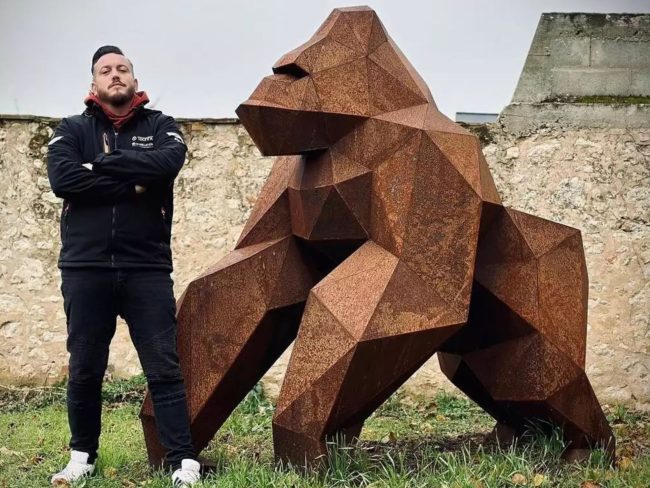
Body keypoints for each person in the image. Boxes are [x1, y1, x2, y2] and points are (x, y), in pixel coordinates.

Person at [47, 46, 200, 487]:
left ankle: (182, 461)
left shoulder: (161, 126)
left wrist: (102, 164)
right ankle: (81, 457)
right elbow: (64, 179)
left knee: (163, 368)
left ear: (134, 79)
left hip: (146, 268)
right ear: (93, 83)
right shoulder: (71, 129)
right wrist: (134, 184)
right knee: (85, 368)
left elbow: (168, 162)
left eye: (122, 69)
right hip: (85, 267)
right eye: (105, 70)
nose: (115, 75)